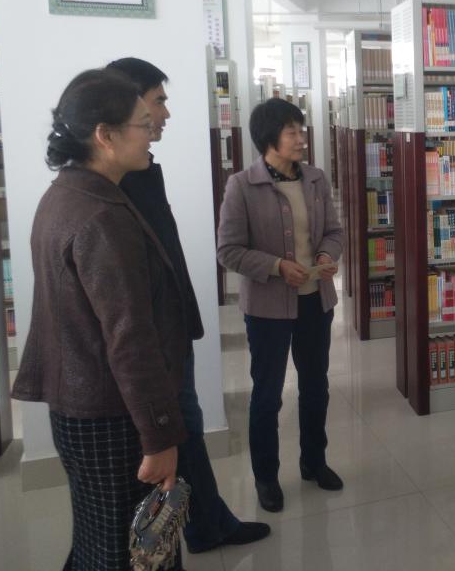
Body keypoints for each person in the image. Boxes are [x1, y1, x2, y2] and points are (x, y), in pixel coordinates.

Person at [11, 69, 187, 570]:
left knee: (98, 540)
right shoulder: (101, 216)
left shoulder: (65, 195)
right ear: (104, 135)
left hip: (79, 406)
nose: (152, 131)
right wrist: (159, 436)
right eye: (142, 124)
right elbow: (130, 339)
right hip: (113, 415)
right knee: (130, 552)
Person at [107, 58, 270, 553]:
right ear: (127, 106)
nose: (166, 114)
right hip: (154, 340)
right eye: (158, 101)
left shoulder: (141, 171)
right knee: (185, 430)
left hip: (170, 330)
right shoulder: (114, 185)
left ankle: (208, 524)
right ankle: (208, 525)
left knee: (190, 430)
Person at [217, 98, 344, 513]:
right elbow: (229, 251)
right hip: (267, 309)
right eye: (292, 132)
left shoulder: (316, 179)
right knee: (268, 394)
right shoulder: (242, 186)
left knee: (316, 386)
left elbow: (334, 232)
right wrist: (275, 266)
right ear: (269, 138)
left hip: (315, 302)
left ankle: (314, 462)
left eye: (301, 131)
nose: (301, 139)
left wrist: (325, 255)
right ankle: (266, 477)